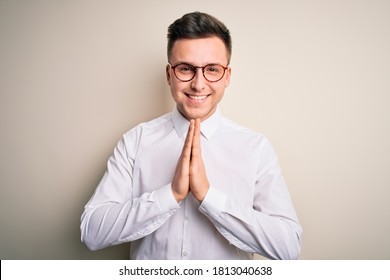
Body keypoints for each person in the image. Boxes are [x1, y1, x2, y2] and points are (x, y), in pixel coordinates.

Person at [80, 11, 302, 260]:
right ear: (168, 74)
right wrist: (170, 195)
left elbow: (288, 246)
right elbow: (92, 231)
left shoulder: (255, 148)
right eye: (186, 69)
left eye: (212, 69)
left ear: (227, 76)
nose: (198, 83)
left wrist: (209, 197)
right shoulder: (135, 141)